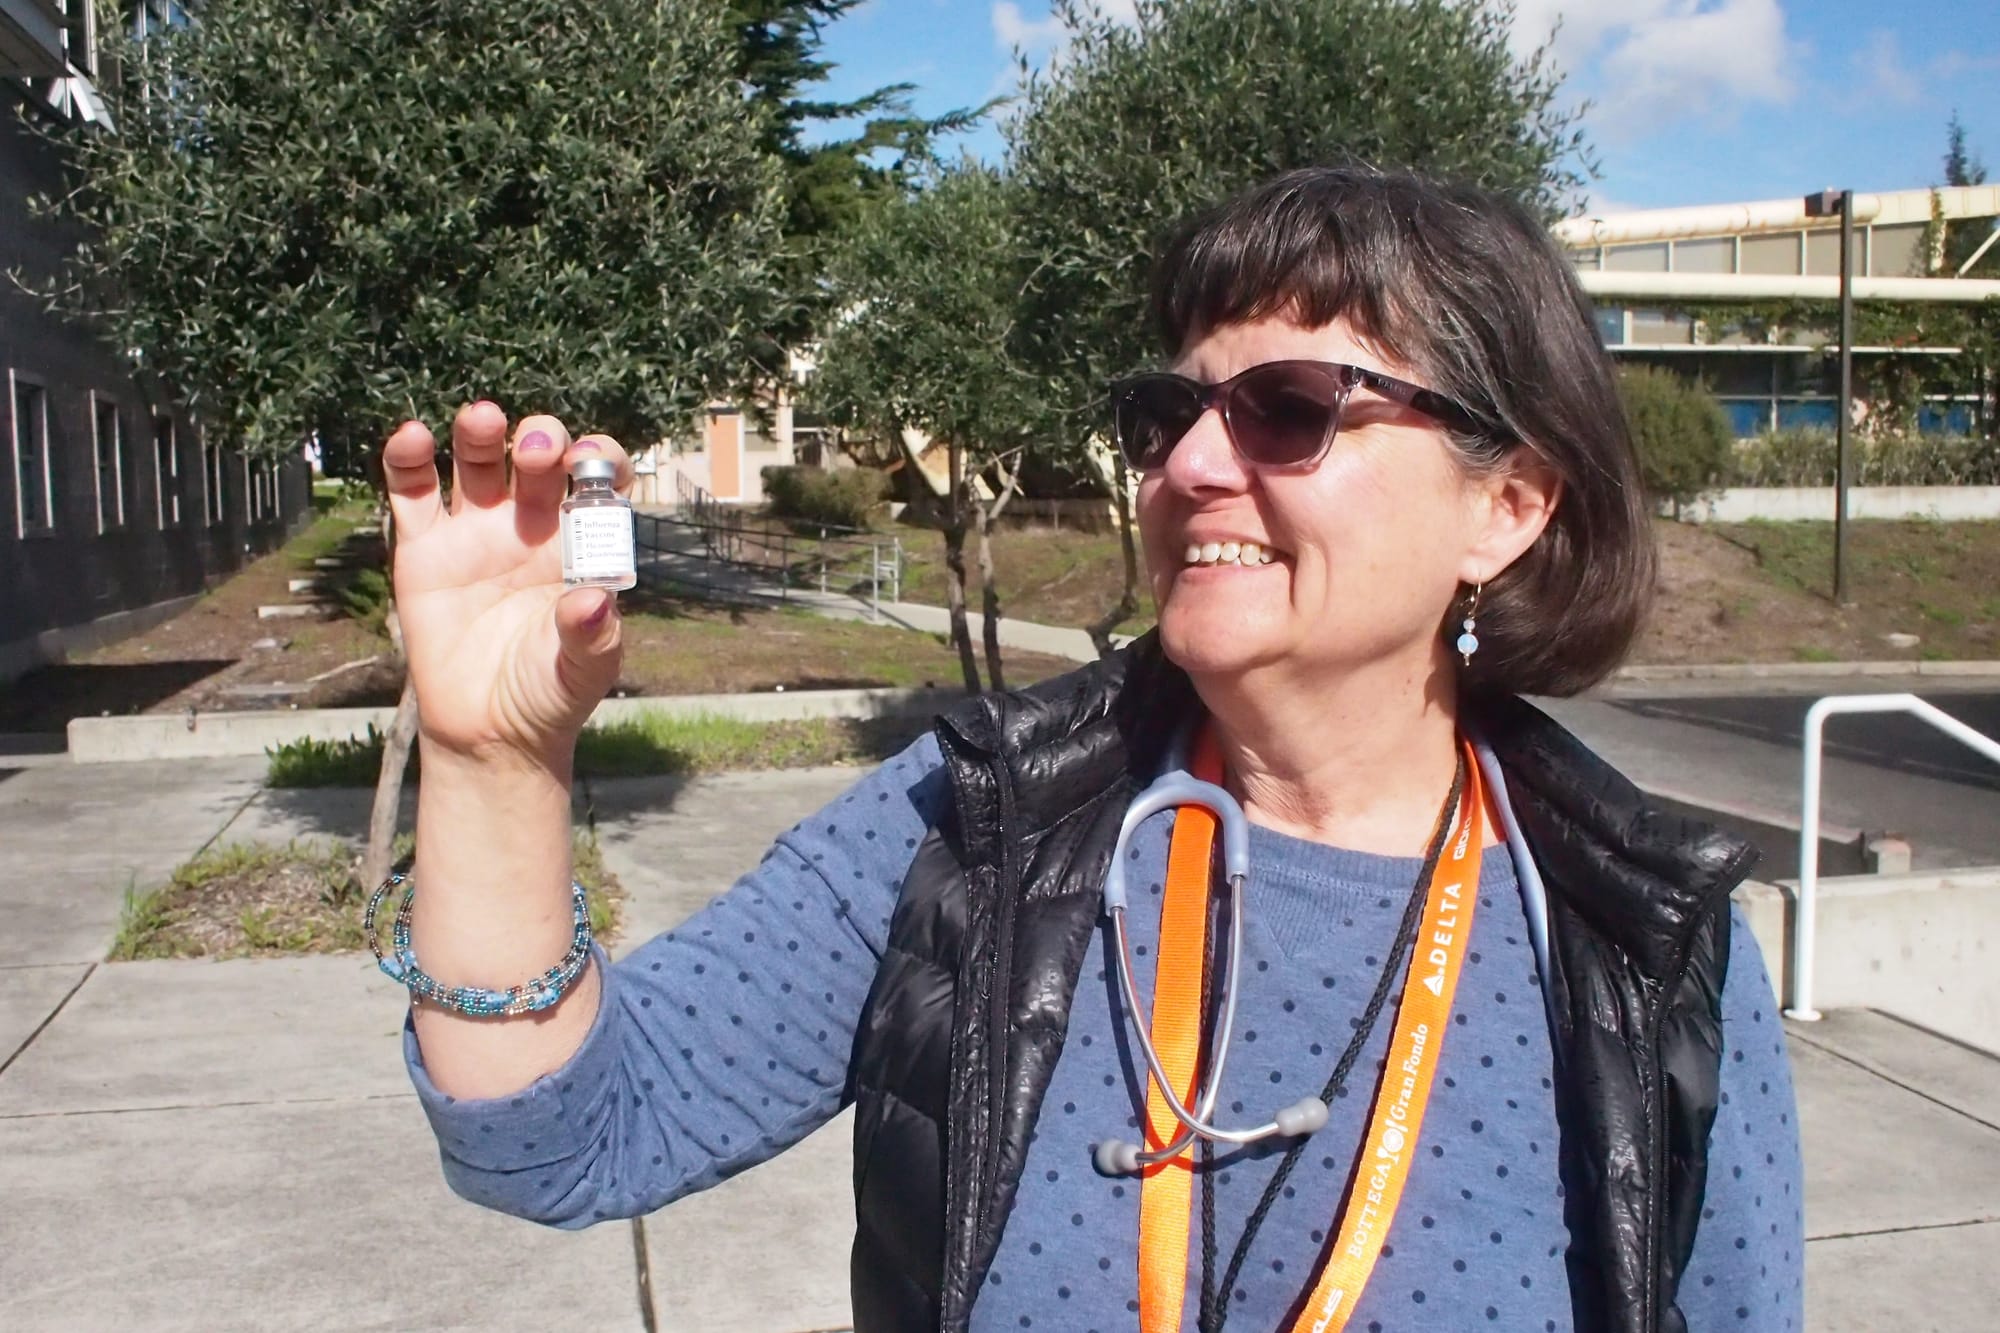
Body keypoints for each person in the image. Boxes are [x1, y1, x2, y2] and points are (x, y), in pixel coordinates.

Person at [381, 166, 1804, 1333]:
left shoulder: (1644, 942)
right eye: (1167, 412)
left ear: (1507, 507)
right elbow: (558, 1134)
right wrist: (496, 757)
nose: (1188, 465)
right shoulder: (977, 823)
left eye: (1290, 410)